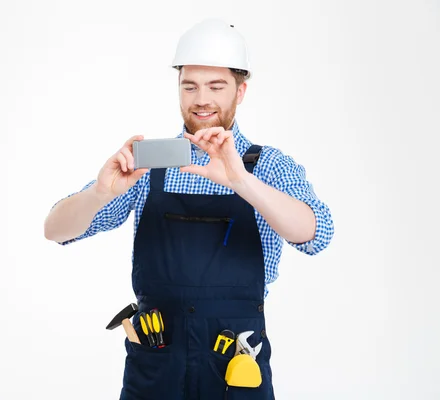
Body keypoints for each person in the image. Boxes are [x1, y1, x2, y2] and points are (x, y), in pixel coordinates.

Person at [44, 18, 334, 400]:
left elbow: (317, 234)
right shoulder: (145, 166)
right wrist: (99, 193)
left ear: (240, 91)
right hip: (155, 364)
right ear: (178, 89)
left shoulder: (268, 166)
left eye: (216, 87)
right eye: (190, 86)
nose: (201, 99)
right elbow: (56, 230)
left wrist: (241, 182)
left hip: (235, 366)